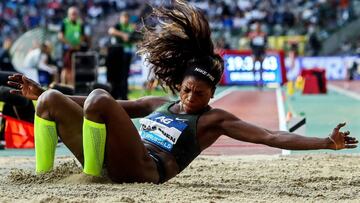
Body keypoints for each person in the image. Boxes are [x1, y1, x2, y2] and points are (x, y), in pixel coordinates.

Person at [7, 0, 357, 184]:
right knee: (53, 99)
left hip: (146, 168)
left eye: (200, 93)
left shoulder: (212, 120)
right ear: (180, 85)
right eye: (188, 90)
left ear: (211, 94)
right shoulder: (161, 103)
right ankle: (46, 175)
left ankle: (90, 179)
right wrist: (40, 92)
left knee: (100, 97)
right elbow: (107, 106)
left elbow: (269, 135)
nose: (191, 98)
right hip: (114, 156)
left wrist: (326, 142)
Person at [106, 11, 135, 100]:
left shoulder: (131, 27)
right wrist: (123, 35)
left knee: (124, 76)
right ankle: (116, 94)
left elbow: (135, 38)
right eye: (124, 18)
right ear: (121, 18)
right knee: (117, 76)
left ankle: (123, 95)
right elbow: (111, 31)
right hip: (117, 54)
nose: (125, 19)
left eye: (127, 18)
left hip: (127, 54)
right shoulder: (118, 26)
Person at [58, 6, 86, 86]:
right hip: (67, 49)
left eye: (75, 14)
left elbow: (82, 36)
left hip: (76, 49)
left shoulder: (80, 23)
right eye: (72, 14)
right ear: (69, 14)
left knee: (74, 69)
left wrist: (78, 44)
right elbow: (60, 36)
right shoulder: (64, 23)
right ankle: (63, 86)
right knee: (66, 69)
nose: (74, 15)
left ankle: (71, 87)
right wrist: (70, 44)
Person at [248, 21, 267, 88]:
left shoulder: (263, 34)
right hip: (254, 51)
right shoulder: (252, 34)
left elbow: (265, 43)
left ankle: (261, 81)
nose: (258, 28)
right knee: (254, 66)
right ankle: (255, 81)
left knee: (261, 67)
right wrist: (252, 38)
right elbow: (250, 44)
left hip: (261, 51)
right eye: (257, 26)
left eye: (259, 26)